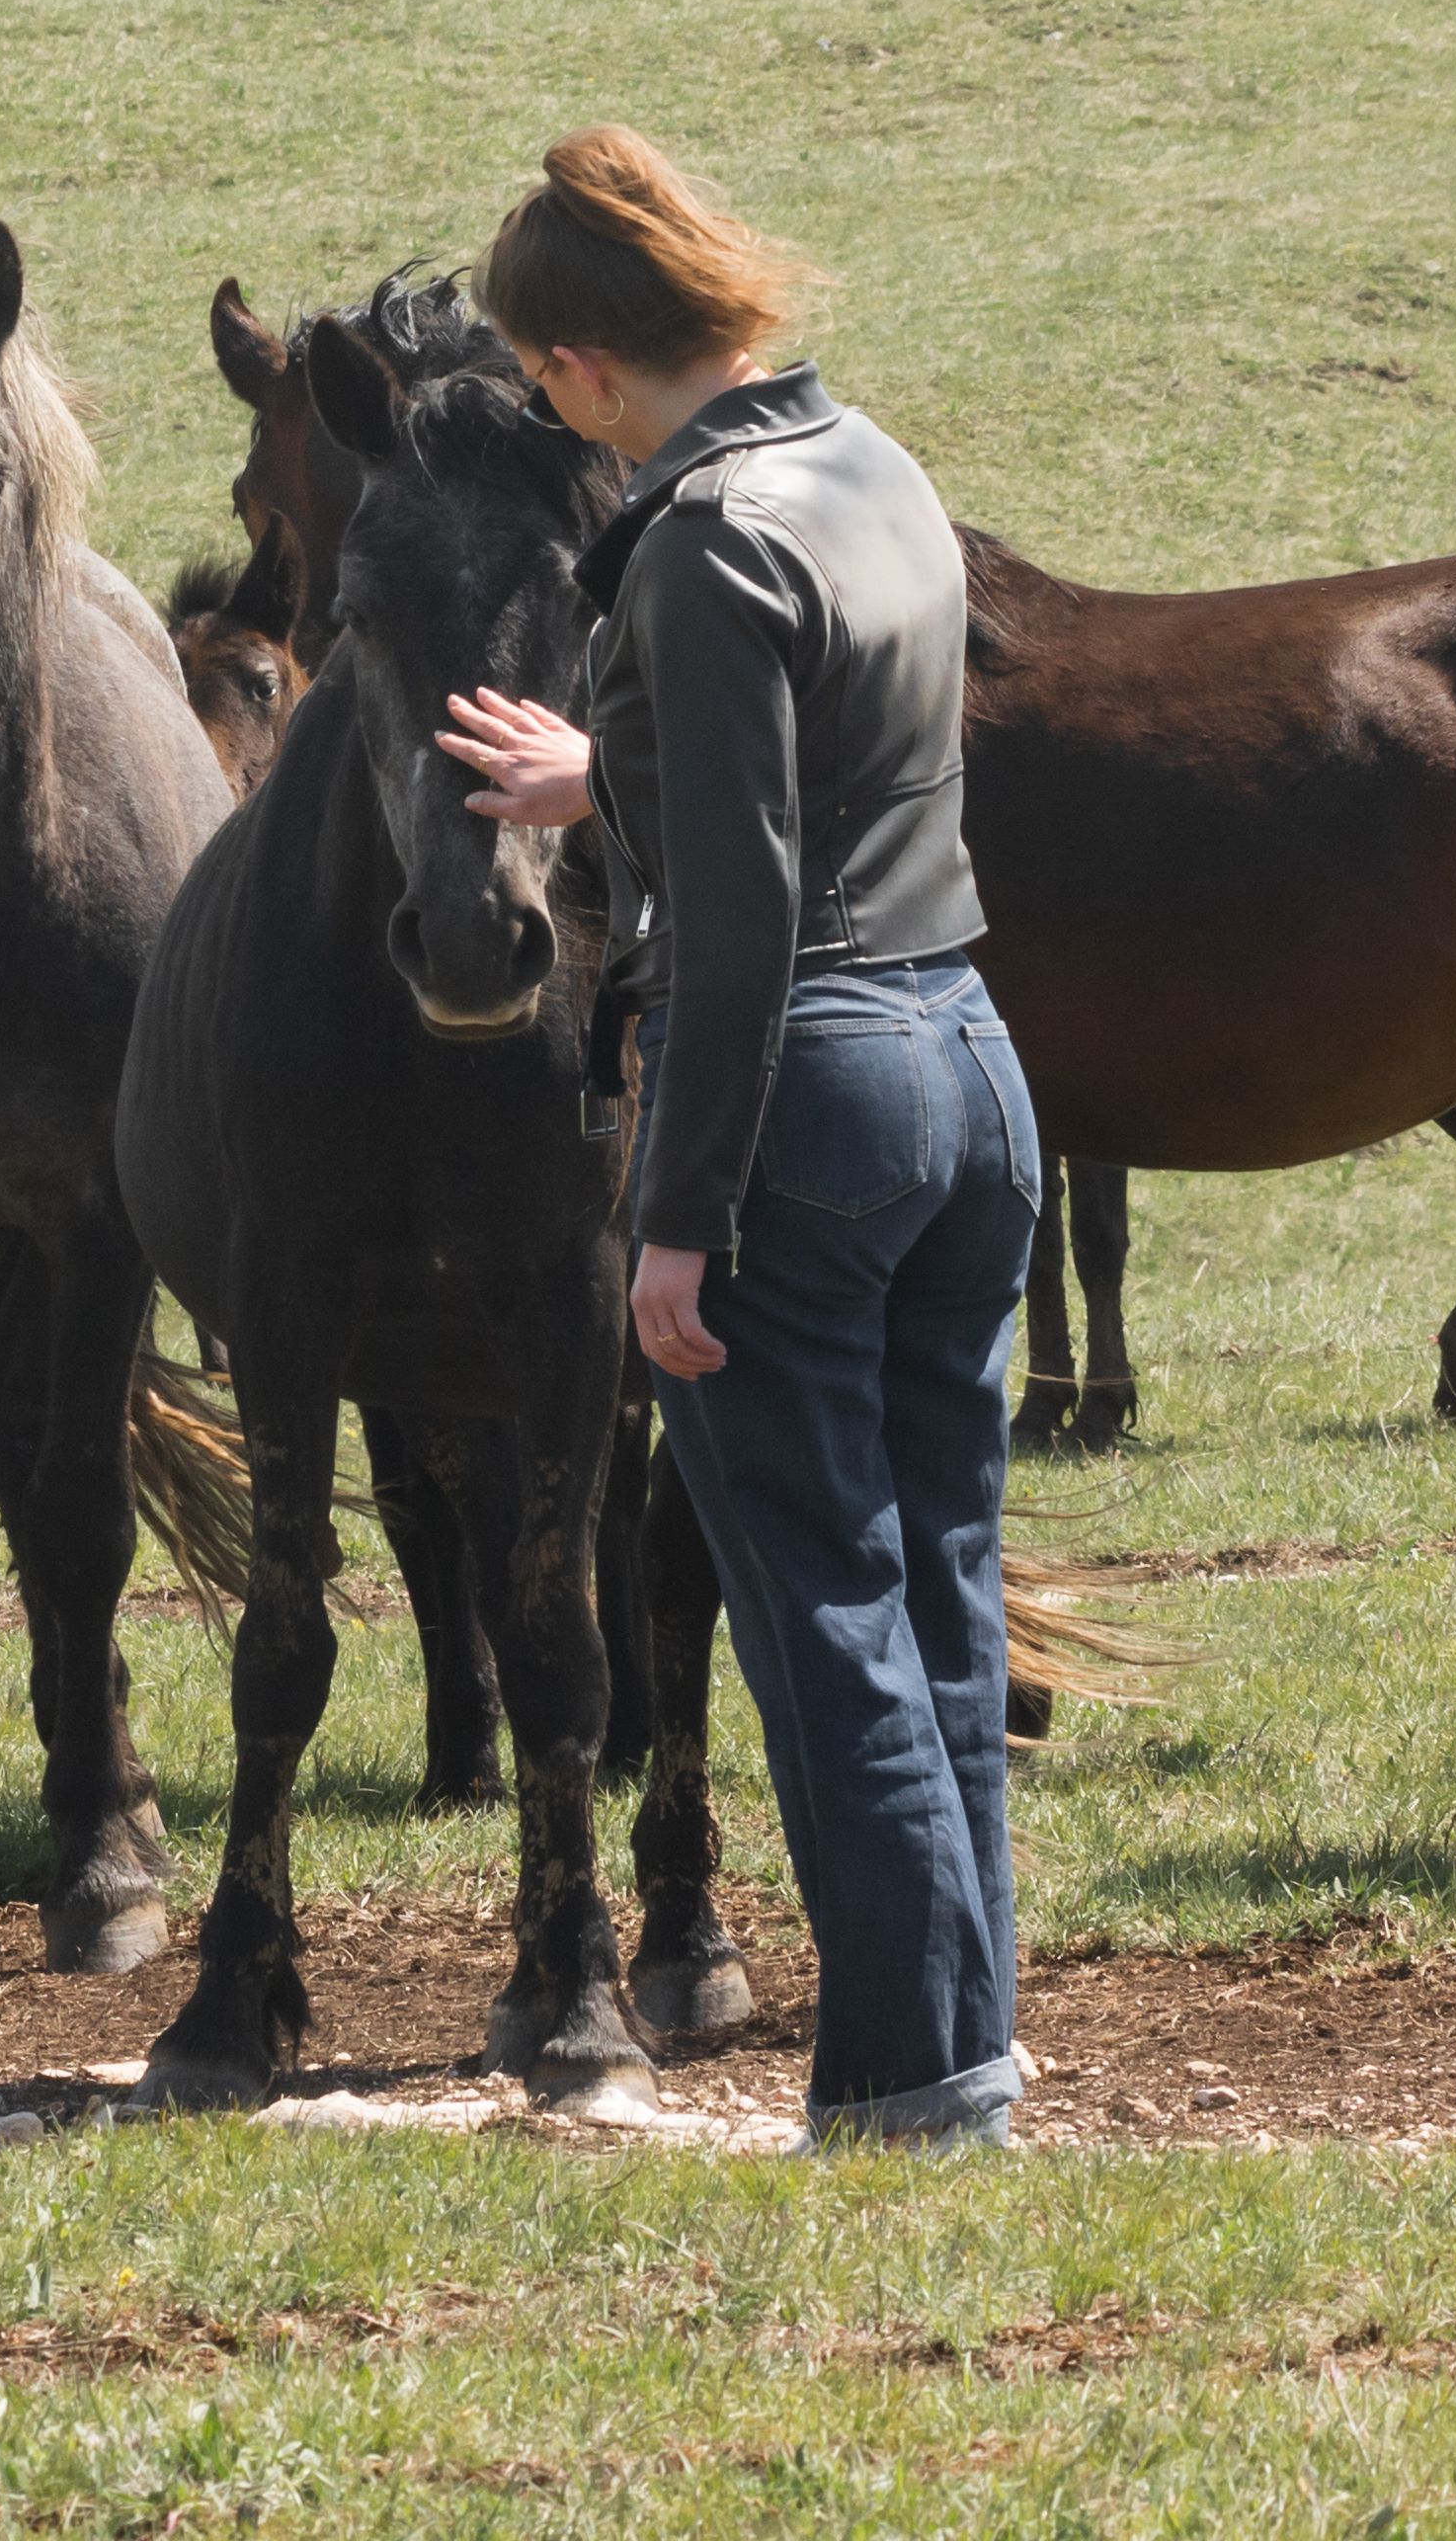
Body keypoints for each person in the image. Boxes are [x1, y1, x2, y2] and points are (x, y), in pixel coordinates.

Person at [437, 127, 1035, 2151]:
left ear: (590, 361)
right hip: (971, 1062)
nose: (550, 413)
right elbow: (839, 767)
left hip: (804, 1081)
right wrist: (611, 768)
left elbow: (757, 895)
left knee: (821, 1610)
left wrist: (674, 1214)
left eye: (546, 379)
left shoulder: (692, 533)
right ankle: (969, 2045)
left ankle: (900, 2085)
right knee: (941, 1586)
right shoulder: (877, 467)